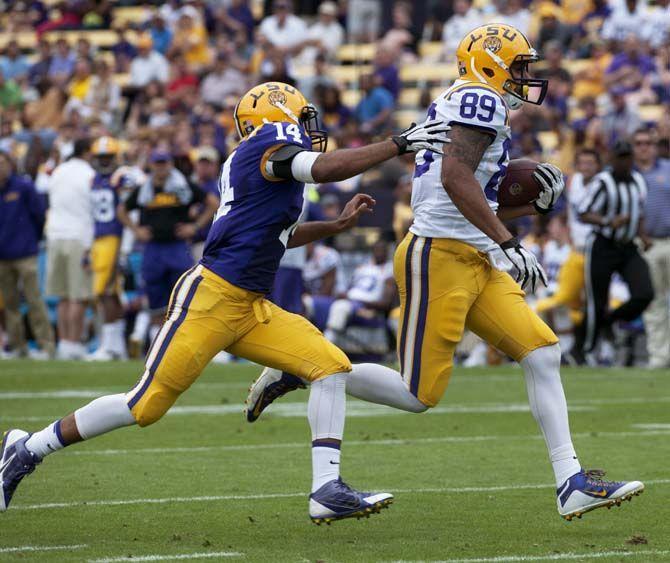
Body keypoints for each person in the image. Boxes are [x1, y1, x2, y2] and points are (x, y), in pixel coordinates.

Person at [0, 82, 449, 523]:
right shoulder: (271, 141)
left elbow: (280, 235)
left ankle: (326, 490)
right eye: (300, 117)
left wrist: (332, 226)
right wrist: (398, 143)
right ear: (277, 115)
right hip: (211, 298)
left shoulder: (261, 163)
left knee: (330, 366)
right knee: (145, 406)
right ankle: (29, 447)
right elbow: (325, 169)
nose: (308, 128)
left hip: (252, 306)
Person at [247, 25, 645, 522]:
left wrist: (516, 206)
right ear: (489, 64)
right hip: (439, 255)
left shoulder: (476, 100)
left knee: (543, 352)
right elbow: (455, 178)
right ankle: (306, 369)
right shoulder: (481, 98)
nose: (525, 76)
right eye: (518, 66)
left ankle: (572, 482)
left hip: (471, 253)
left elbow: (465, 182)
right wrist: (508, 240)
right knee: (418, 395)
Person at [117, 150, 217, 343]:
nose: (161, 168)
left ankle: (185, 341)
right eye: (157, 163)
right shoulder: (145, 188)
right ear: (152, 165)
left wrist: (194, 227)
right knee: (155, 299)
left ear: (170, 164)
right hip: (153, 249)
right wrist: (136, 230)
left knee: (184, 296)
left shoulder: (182, 185)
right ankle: (157, 342)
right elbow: (122, 210)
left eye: (164, 163)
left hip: (177, 247)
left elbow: (212, 202)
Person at [571, 140, 654, 363]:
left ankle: (610, 320)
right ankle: (582, 351)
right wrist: (608, 221)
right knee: (596, 301)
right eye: (620, 157)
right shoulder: (602, 182)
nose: (625, 161)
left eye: (628, 157)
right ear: (612, 159)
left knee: (645, 293)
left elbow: (640, 213)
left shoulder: (637, 180)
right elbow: (583, 212)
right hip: (603, 245)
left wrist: (643, 236)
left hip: (628, 246)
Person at [535, 149, 601, 330]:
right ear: (577, 165)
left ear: (598, 166)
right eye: (583, 162)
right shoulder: (573, 180)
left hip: (597, 252)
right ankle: (579, 344)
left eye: (591, 163)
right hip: (577, 250)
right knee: (564, 298)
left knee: (594, 300)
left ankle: (596, 345)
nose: (586, 166)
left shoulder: (604, 184)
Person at [0, 151, 54, 359]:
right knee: (10, 304)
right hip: (2, 256)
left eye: (3, 163)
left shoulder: (23, 186)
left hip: (25, 253)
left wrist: (32, 240)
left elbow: (39, 215)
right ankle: (17, 346)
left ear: (10, 165)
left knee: (34, 300)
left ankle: (46, 345)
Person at [45, 138, 95, 360]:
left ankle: (64, 343)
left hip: (55, 236)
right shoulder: (89, 174)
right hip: (78, 237)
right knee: (78, 296)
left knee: (63, 296)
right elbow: (90, 208)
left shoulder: (58, 172)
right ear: (86, 152)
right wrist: (88, 245)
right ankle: (74, 344)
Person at [86, 137, 129, 361]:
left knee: (107, 292)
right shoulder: (94, 180)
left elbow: (128, 211)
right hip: (99, 239)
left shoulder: (120, 178)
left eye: (108, 157)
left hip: (113, 238)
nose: (104, 161)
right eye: (101, 157)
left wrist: (124, 247)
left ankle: (111, 346)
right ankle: (116, 345)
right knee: (107, 293)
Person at [633, 128, 670, 368]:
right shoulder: (628, 175)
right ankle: (659, 357)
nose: (644, 147)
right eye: (639, 143)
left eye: (648, 142)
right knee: (653, 302)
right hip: (645, 244)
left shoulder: (667, 169)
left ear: (655, 146)